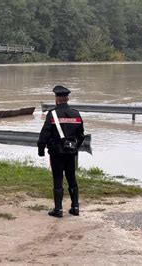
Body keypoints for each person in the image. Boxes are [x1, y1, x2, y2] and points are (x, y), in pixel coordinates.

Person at [38, 85, 84, 218]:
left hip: (56, 153)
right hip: (71, 153)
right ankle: (75, 207)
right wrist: (75, 147)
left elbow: (44, 134)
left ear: (57, 99)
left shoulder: (52, 114)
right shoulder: (76, 114)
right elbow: (81, 135)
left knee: (58, 179)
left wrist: (41, 149)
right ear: (67, 98)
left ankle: (58, 209)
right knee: (72, 178)